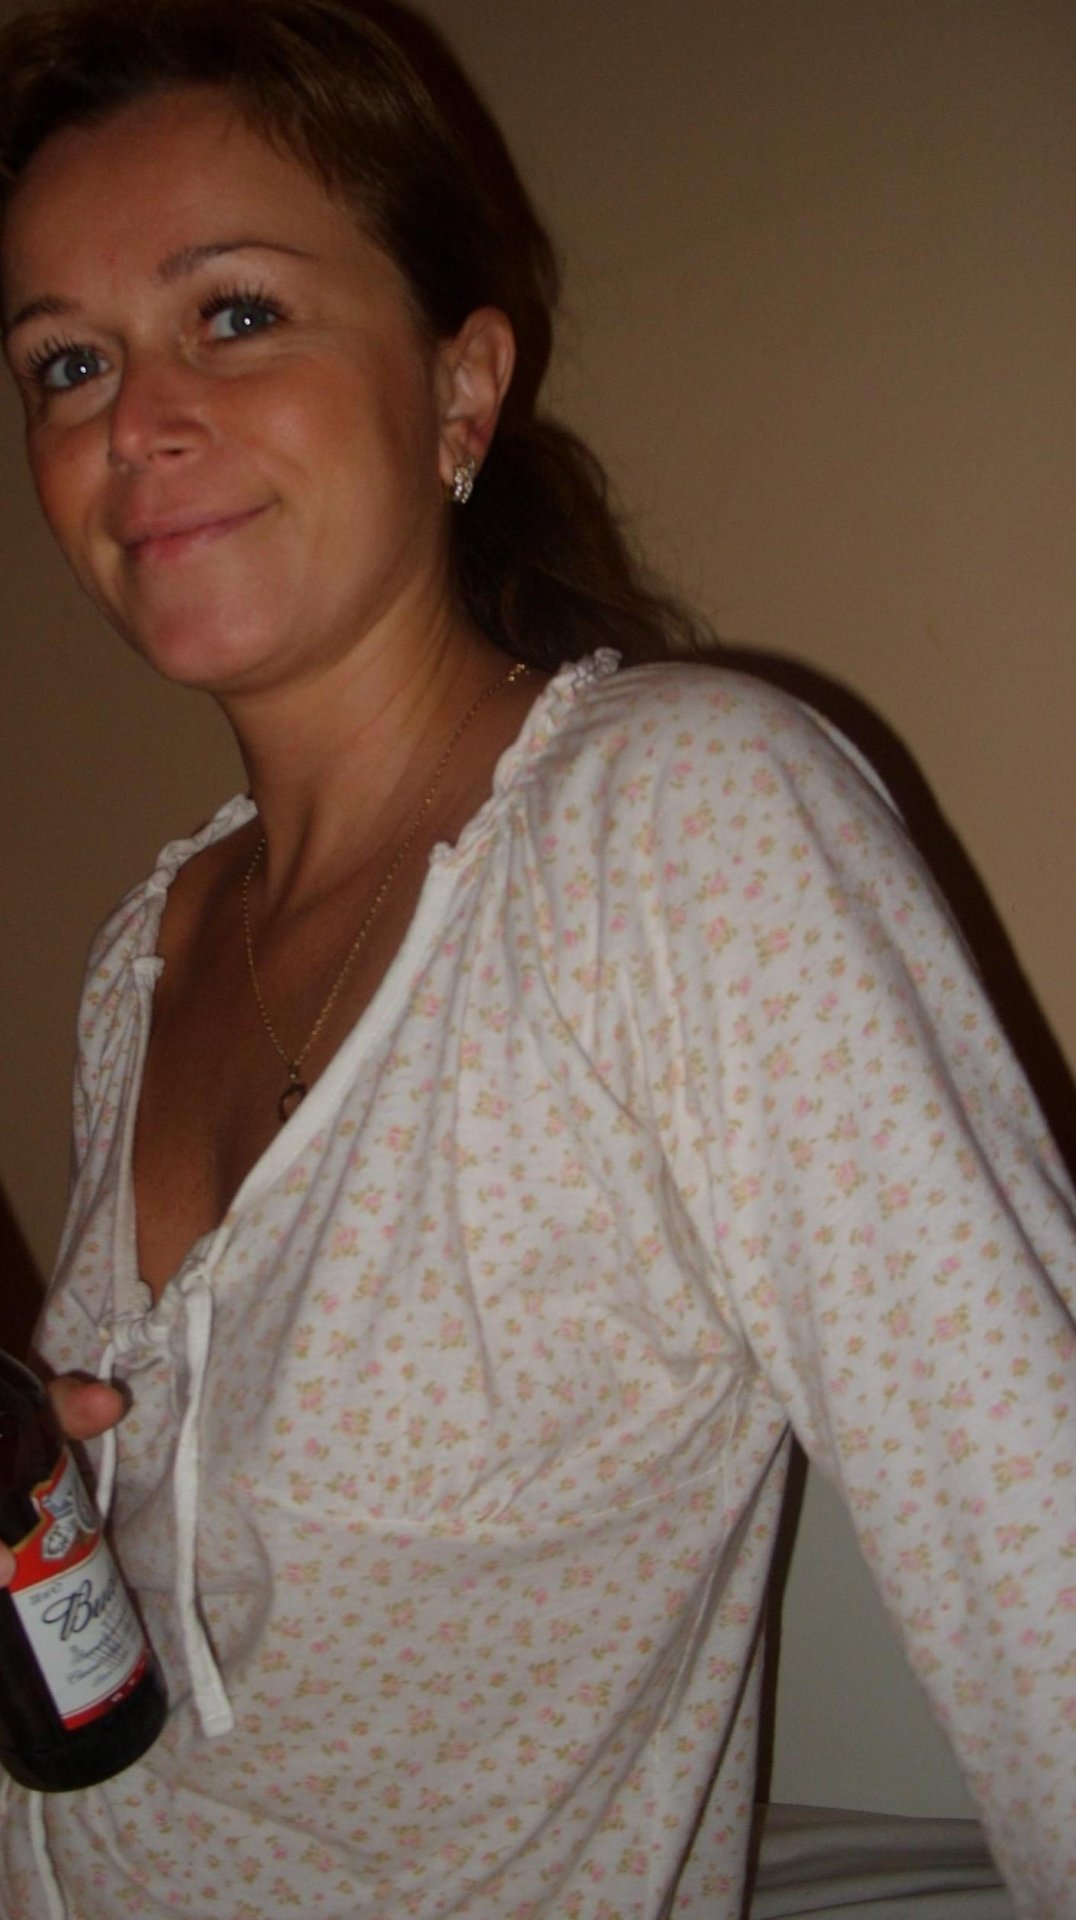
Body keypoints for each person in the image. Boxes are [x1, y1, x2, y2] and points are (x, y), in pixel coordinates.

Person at [0, 1, 1073, 1915]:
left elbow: (1038, 1548)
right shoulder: (140, 956)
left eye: (233, 313)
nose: (130, 422)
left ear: (461, 389)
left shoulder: (677, 832)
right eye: (64, 362)